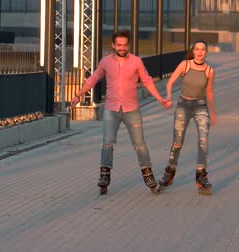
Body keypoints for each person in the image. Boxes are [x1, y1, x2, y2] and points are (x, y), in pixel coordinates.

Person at [70, 31, 171, 194]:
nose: (122, 48)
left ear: (128, 45)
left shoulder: (136, 61)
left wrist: (160, 99)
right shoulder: (105, 62)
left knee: (140, 145)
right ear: (113, 45)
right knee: (108, 143)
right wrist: (77, 95)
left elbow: (147, 81)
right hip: (112, 109)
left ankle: (148, 175)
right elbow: (93, 79)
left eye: (125, 45)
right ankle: (105, 176)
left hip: (132, 109)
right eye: (119, 45)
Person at [158, 40, 216, 195]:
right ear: (193, 51)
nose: (199, 52)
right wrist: (169, 97)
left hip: (201, 107)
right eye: (197, 49)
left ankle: (201, 174)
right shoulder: (185, 65)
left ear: (206, 52)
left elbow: (209, 92)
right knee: (177, 143)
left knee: (203, 141)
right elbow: (170, 83)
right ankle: (170, 171)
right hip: (183, 106)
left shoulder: (209, 70)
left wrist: (213, 112)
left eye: (203, 49)